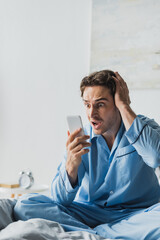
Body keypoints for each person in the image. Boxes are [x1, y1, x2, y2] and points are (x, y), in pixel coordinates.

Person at [14, 70, 160, 239]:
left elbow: (155, 157)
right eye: (87, 105)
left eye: (100, 104)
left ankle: (92, 232)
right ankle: (104, 233)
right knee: (25, 205)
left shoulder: (144, 127)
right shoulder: (81, 138)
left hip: (137, 215)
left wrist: (125, 106)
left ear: (117, 102)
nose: (91, 114)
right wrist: (71, 167)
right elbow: (60, 200)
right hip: (90, 213)